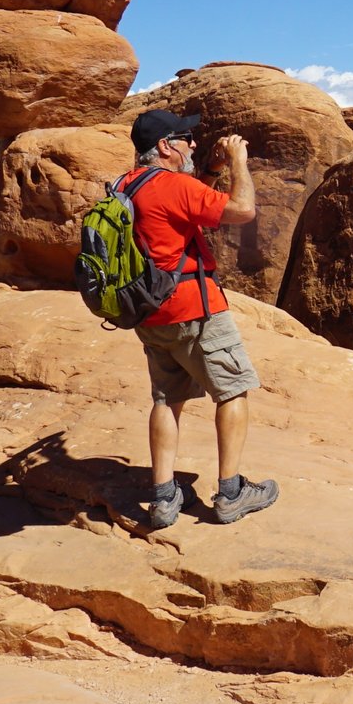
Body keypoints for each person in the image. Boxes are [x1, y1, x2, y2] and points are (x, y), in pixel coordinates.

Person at [121, 108, 279, 529]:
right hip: (194, 309)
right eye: (186, 137)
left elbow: (183, 207)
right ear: (164, 146)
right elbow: (242, 210)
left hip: (149, 310)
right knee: (233, 390)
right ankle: (231, 493)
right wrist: (239, 162)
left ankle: (163, 496)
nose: (193, 143)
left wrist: (211, 166)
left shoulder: (127, 184)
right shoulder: (171, 187)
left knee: (165, 399)